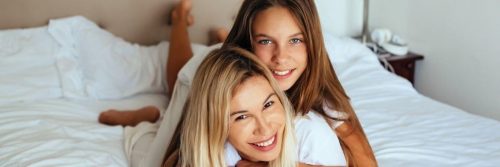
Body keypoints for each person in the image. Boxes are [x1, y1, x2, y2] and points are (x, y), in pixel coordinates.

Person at [100, 0, 377, 166]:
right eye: (266, 41)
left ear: (312, 43)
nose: (281, 58)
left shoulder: (318, 83)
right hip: (205, 75)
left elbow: (365, 158)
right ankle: (180, 22)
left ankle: (217, 35)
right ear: (248, 39)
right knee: (174, 84)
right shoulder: (208, 75)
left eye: (295, 40)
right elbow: (175, 158)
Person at [164, 46, 297, 166]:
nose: (265, 129)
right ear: (215, 125)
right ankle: (179, 20)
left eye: (268, 104)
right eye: (242, 117)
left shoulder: (307, 130)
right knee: (179, 84)